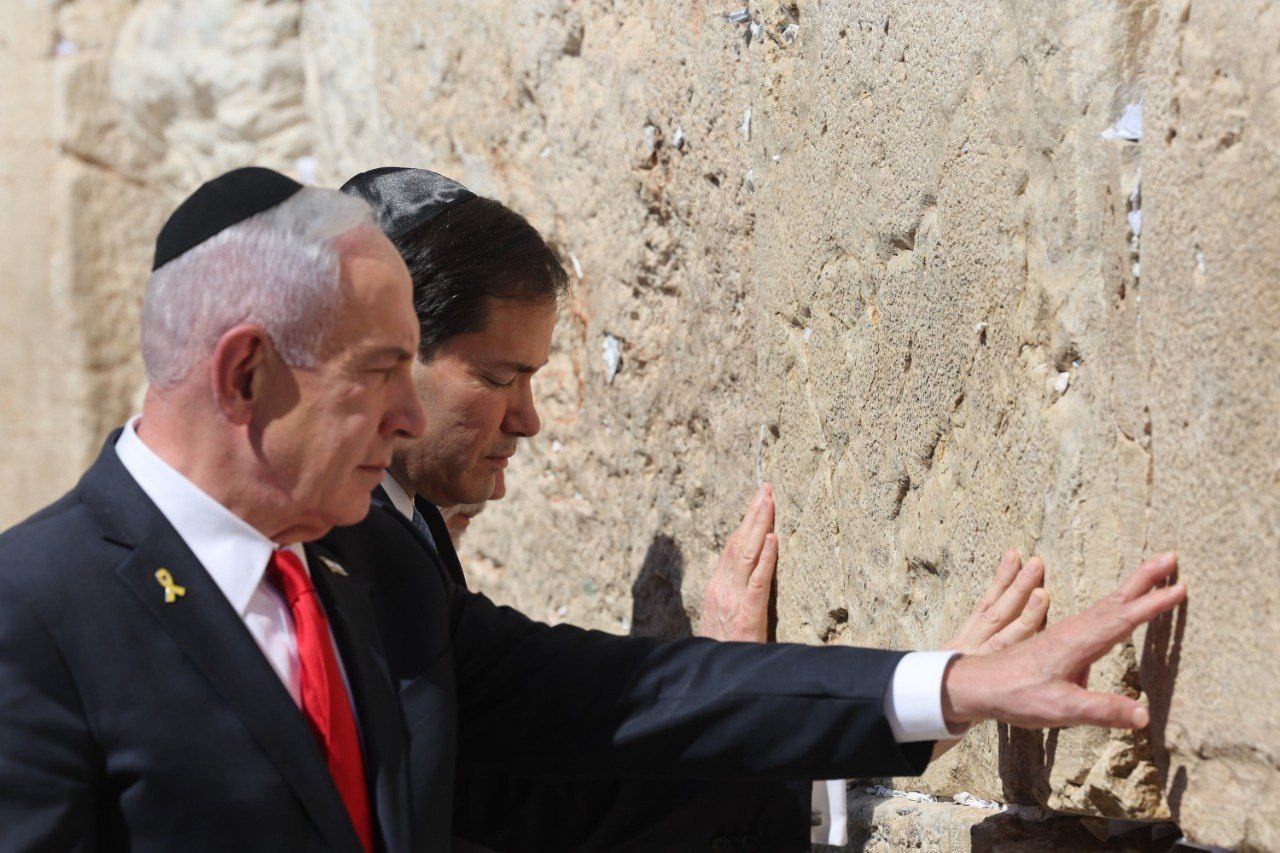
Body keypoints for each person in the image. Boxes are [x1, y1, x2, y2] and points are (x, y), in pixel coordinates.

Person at [0, 166, 1186, 853]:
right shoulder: (35, 616)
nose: (410, 423)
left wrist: (951, 684)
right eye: (378, 375)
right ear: (246, 372)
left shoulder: (366, 576)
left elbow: (619, 697)